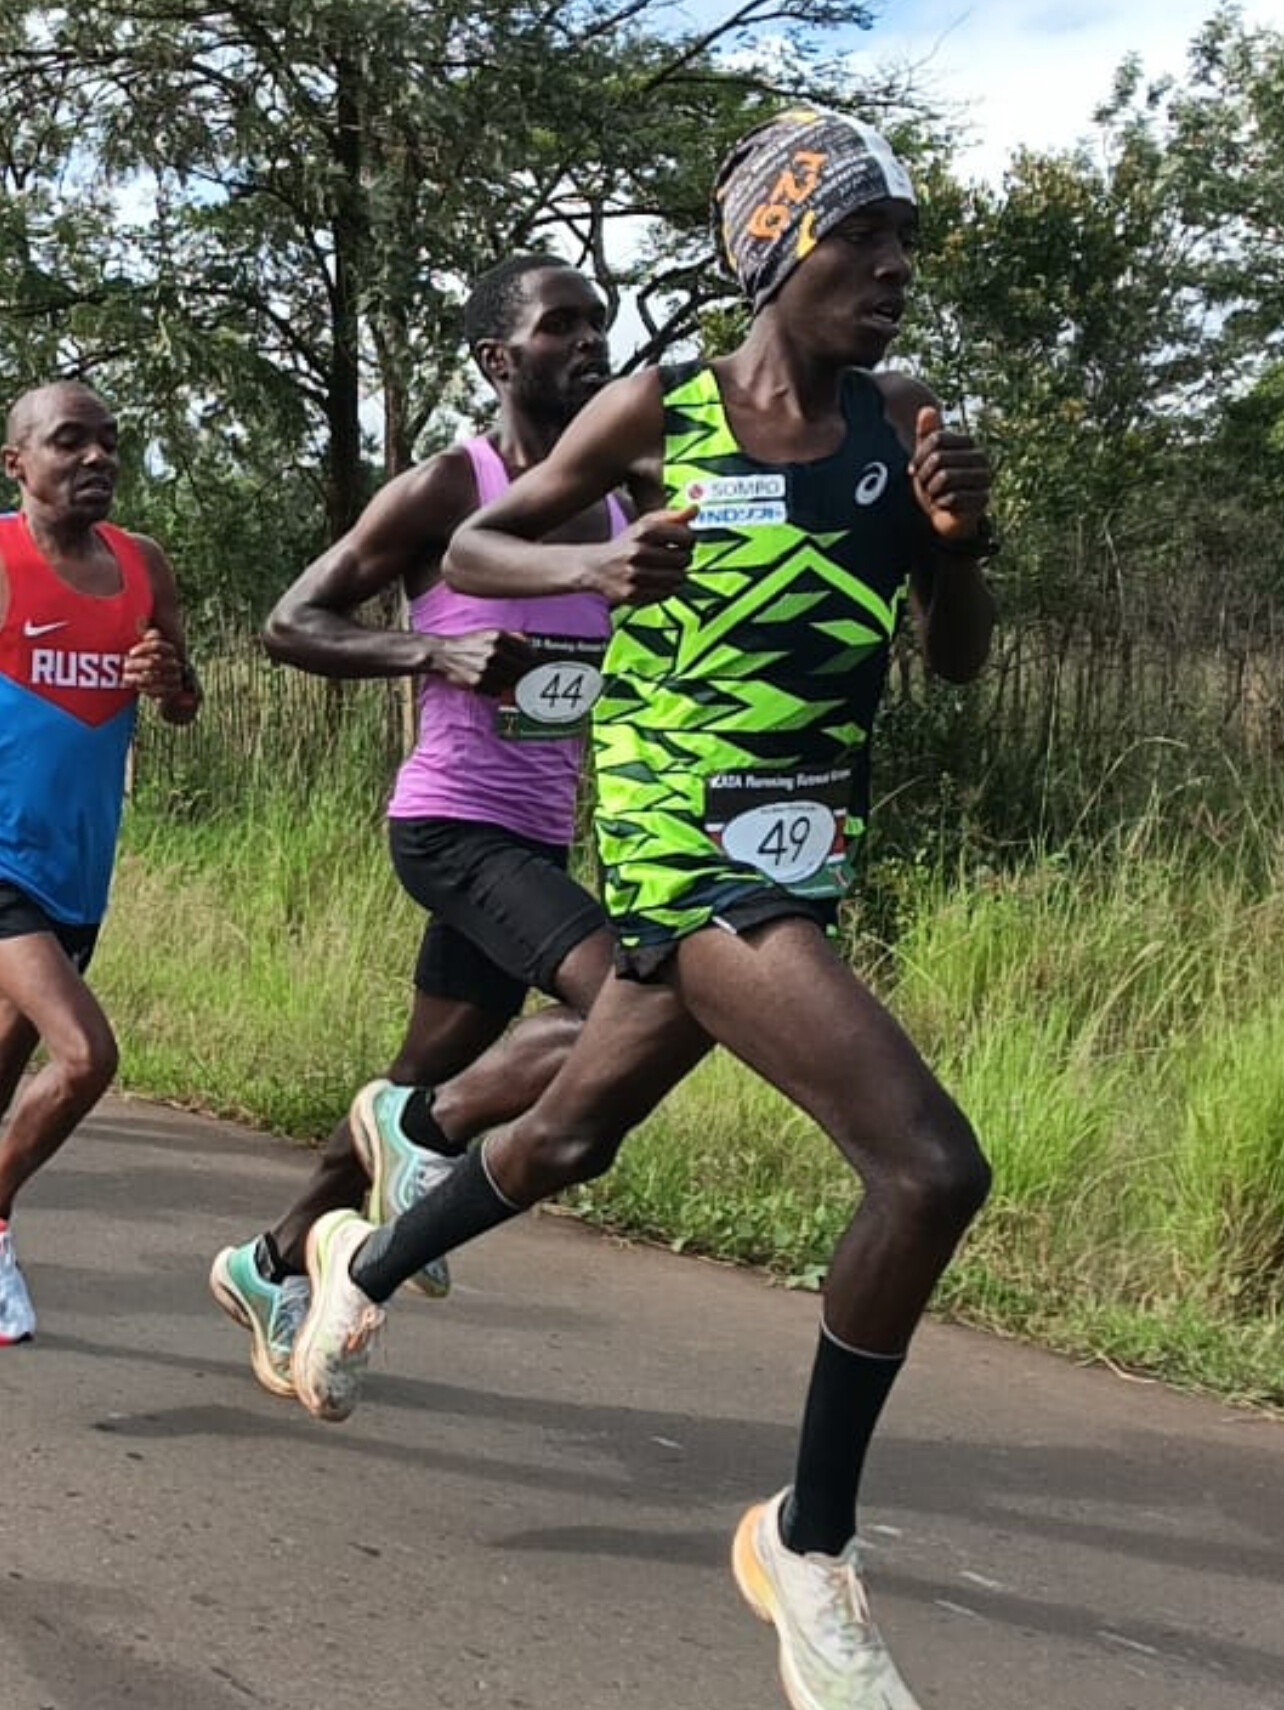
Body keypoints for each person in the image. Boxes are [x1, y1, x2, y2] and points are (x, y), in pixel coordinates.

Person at [291, 110, 997, 1709]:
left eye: (901, 239)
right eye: (859, 234)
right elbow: (484, 539)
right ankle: (805, 1545)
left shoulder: (902, 418)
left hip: (805, 846)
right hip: (688, 839)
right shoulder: (660, 410)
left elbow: (954, 660)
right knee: (930, 1167)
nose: (892, 265)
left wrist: (966, 544)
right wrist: (591, 574)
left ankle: (362, 1259)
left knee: (567, 1136)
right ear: (774, 251)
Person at [210, 254, 640, 1399]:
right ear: (498, 359)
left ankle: (269, 1263)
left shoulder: (618, 502)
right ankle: (428, 1130)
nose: (589, 343)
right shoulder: (451, 487)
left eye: (597, 323)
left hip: (535, 835)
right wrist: (432, 650)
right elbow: (291, 622)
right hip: (451, 824)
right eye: (560, 326)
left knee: (412, 1077)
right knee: (625, 1006)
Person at [0, 379, 200, 1343]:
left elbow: (185, 700)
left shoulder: (141, 564)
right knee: (86, 1056)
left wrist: (170, 679)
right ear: (17, 463)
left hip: (78, 866)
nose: (96, 458)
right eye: (69, 441)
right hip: (2, 861)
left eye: (109, 442)